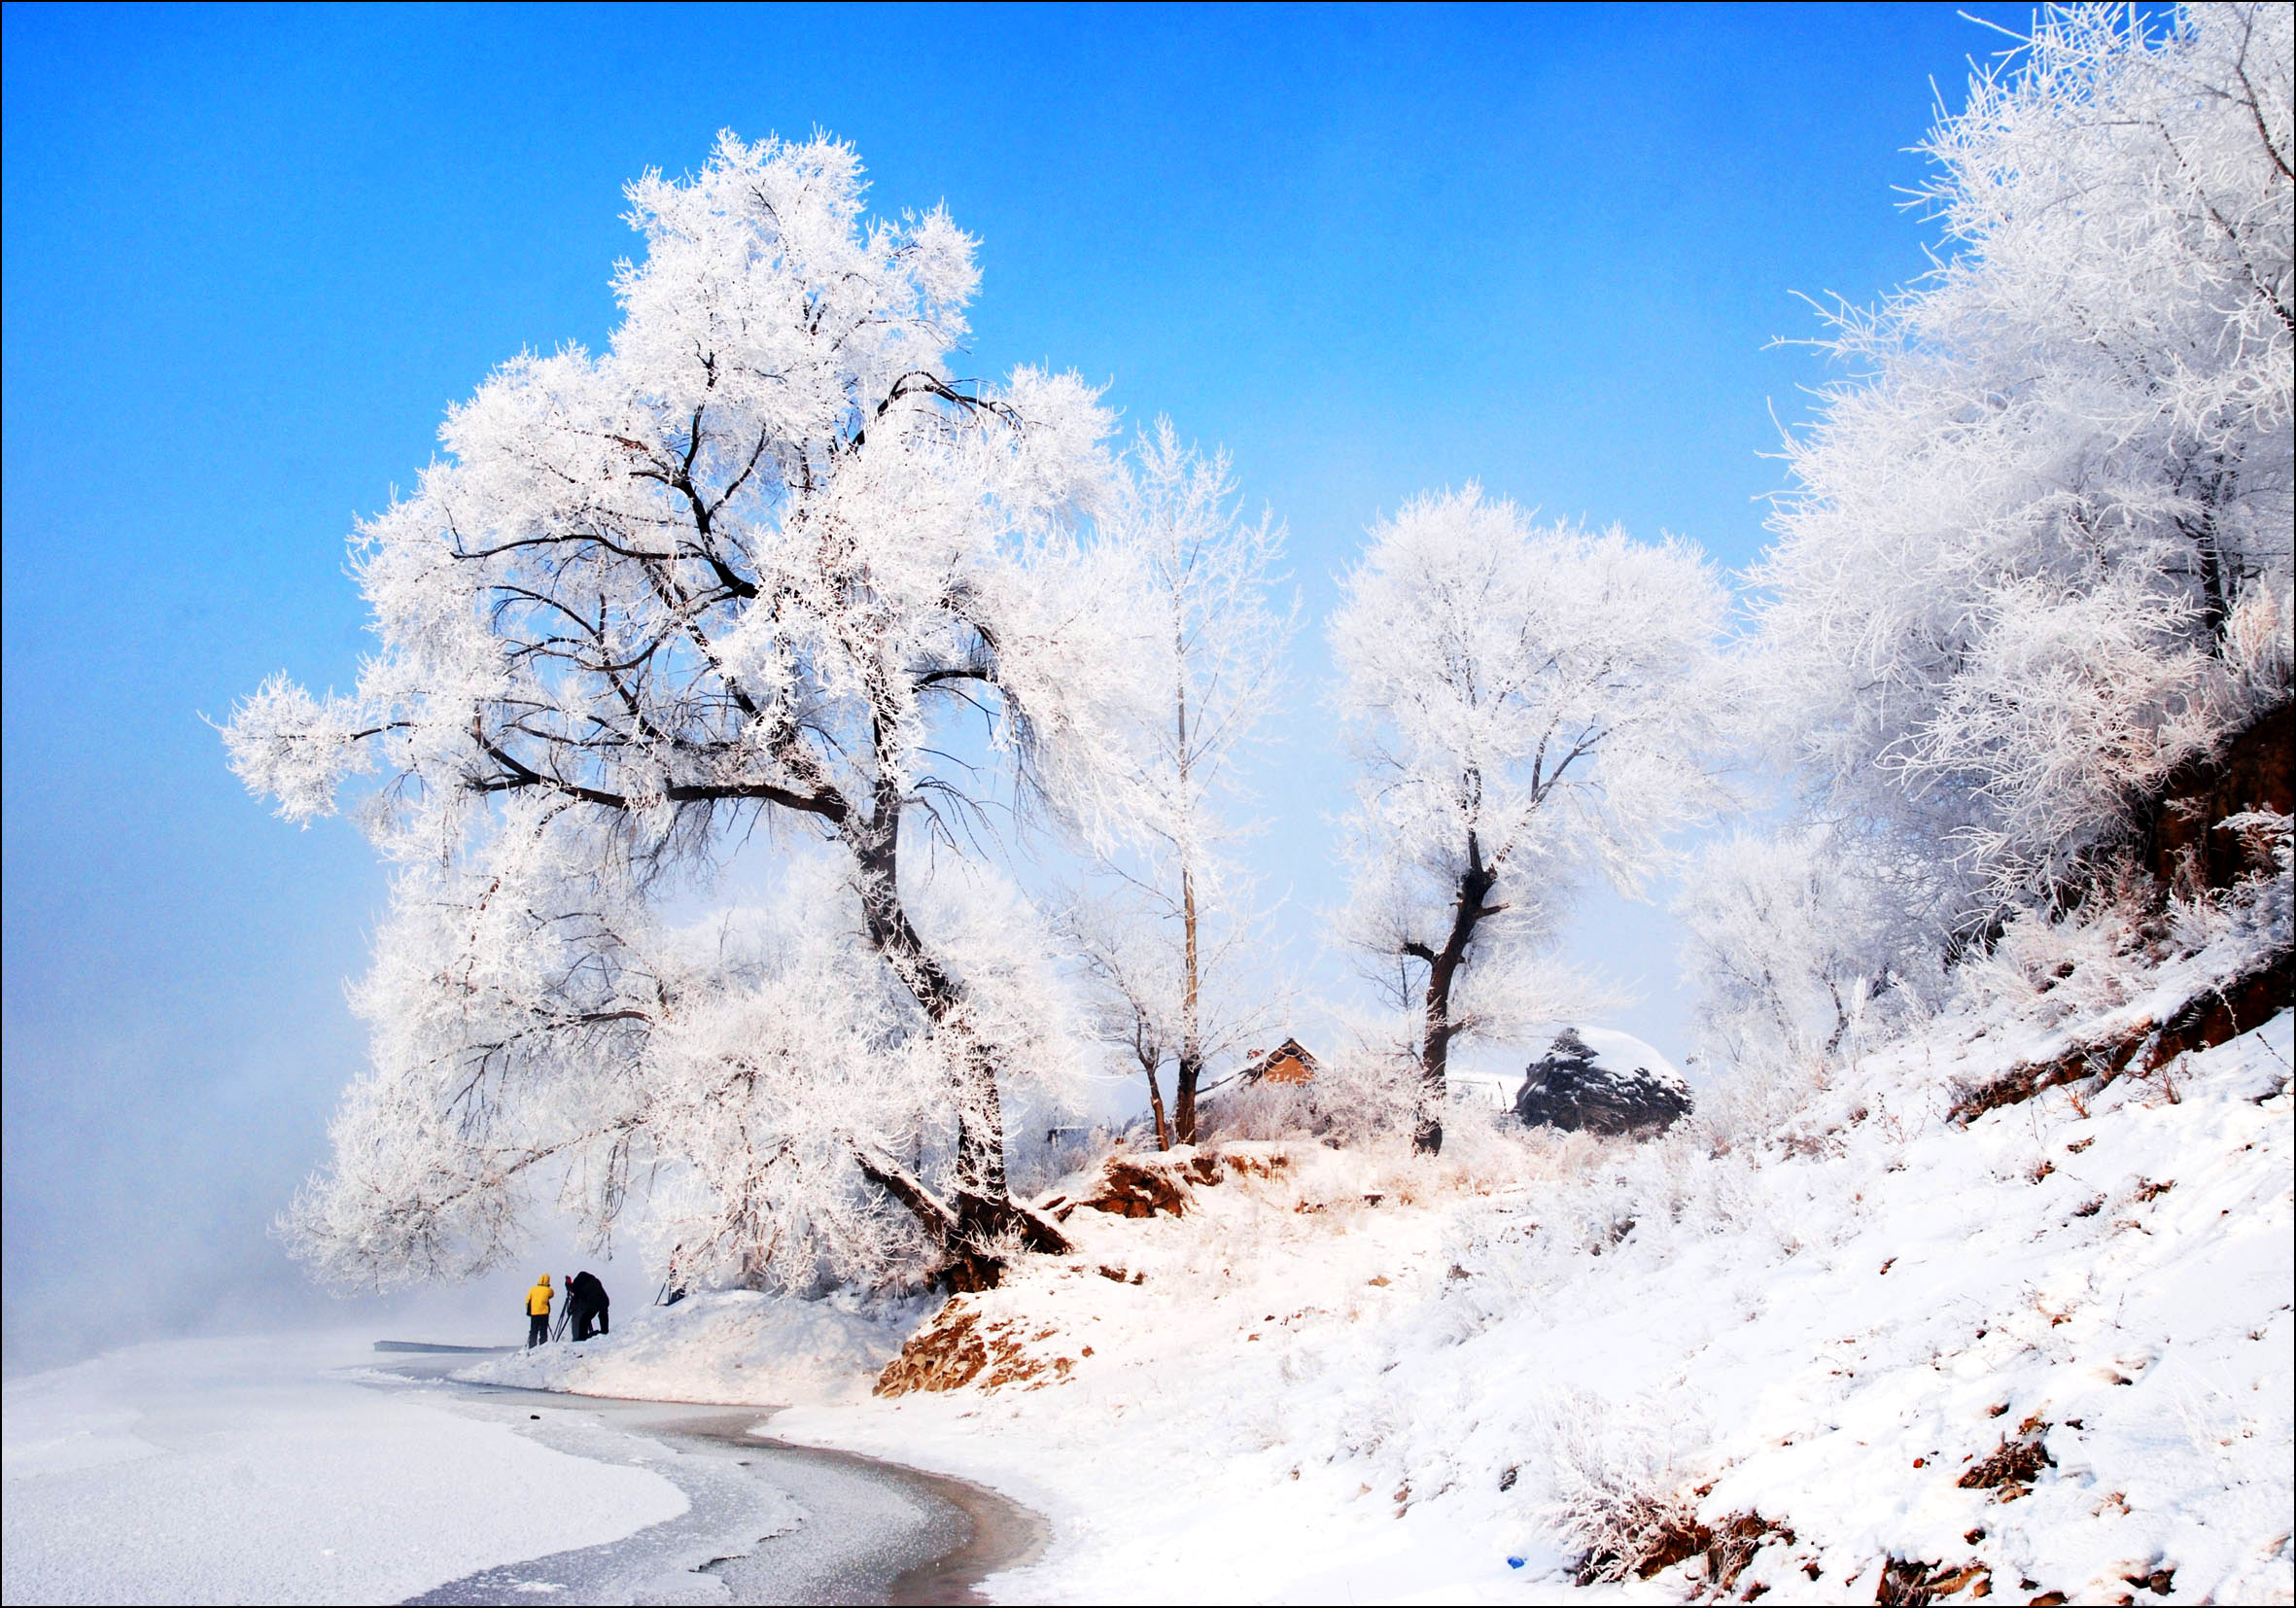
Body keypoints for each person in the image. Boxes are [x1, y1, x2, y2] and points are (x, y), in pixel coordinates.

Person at [569, 1271, 609, 1342]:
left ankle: (582, 1337)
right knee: (603, 1314)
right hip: (604, 1300)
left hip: (593, 1303)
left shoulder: (582, 1286)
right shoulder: (595, 1281)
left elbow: (576, 1296)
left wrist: (571, 1308)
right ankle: (604, 1331)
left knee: (584, 1320)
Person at [525, 1274, 553, 1348]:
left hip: (534, 1313)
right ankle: (543, 1347)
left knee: (533, 1331)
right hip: (544, 1313)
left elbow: (527, 1300)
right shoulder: (548, 1290)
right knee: (543, 1331)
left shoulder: (533, 1289)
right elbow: (551, 1295)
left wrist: (528, 1310)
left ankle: (532, 1346)